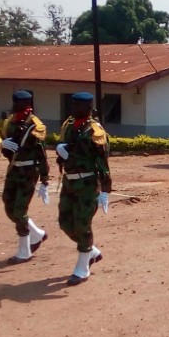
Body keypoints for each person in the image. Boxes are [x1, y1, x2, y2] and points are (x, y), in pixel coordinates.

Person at [56, 92, 112, 285]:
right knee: (64, 222)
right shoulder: (68, 126)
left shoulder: (95, 131)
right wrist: (60, 151)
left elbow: (102, 162)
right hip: (69, 182)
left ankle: (82, 267)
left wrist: (105, 190)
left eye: (78, 105)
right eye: (73, 104)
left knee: (82, 224)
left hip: (87, 183)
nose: (74, 108)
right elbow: (64, 148)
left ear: (89, 108)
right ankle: (91, 251)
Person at [0, 89, 50, 264]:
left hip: (29, 171)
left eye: (19, 102)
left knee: (20, 211)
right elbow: (7, 148)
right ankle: (37, 234)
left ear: (28, 104)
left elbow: (41, 154)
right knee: (8, 205)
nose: (15, 105)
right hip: (13, 169)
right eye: (14, 101)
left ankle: (24, 250)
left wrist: (45, 179)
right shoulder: (10, 122)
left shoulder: (35, 126)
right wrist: (2, 145)